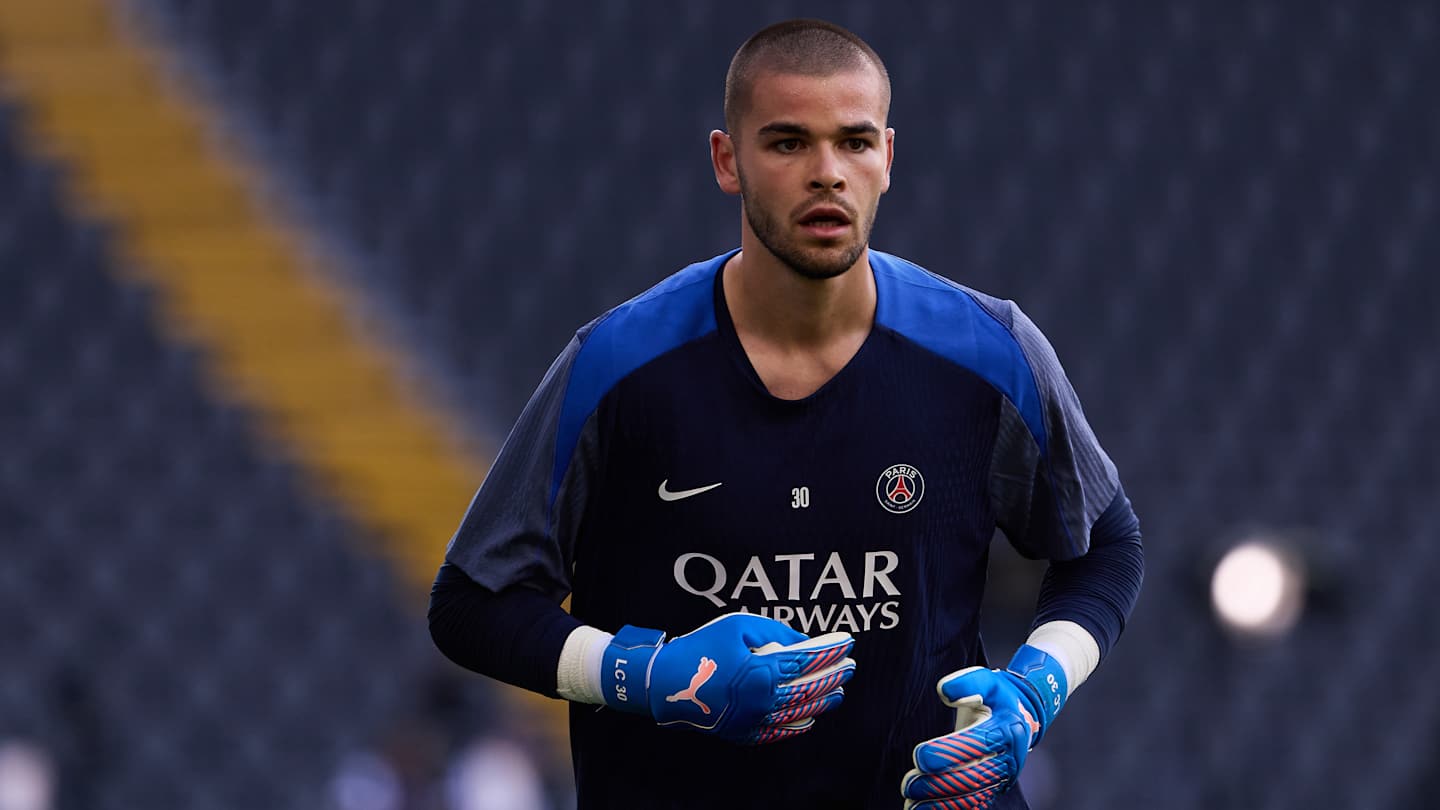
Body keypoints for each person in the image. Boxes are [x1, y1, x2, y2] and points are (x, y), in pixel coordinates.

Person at [429, 18, 1143, 810]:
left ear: (888, 159)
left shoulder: (990, 350)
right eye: (788, 143)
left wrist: (1036, 688)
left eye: (854, 142)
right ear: (727, 161)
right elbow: (470, 602)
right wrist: (651, 674)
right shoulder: (618, 366)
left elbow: (1107, 546)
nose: (827, 173)